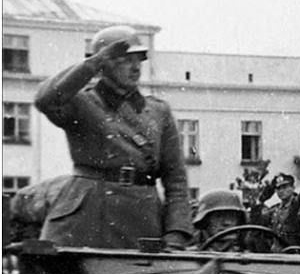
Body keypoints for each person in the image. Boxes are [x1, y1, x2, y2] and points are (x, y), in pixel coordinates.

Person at [33, 24, 191, 249]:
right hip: (88, 215)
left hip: (142, 216)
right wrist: (91, 64)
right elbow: (44, 99)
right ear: (103, 65)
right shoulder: (81, 103)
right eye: (125, 59)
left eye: (138, 59)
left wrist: (176, 233)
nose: (135, 67)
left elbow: (176, 179)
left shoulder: (158, 111)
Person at [254, 173, 300, 251]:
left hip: (295, 252)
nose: (281, 191)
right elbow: (259, 221)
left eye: (285, 187)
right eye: (278, 188)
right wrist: (260, 200)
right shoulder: (275, 210)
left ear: (293, 188)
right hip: (276, 252)